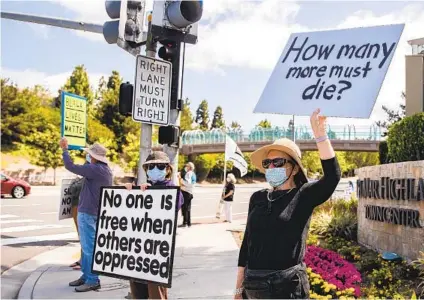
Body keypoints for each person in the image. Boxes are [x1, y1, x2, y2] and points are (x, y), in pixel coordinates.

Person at [234, 109, 341, 299]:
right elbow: (246, 246)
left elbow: (332, 176)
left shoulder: (304, 195)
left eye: (278, 162)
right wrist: (238, 289)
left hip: (287, 289)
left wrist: (320, 135)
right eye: (267, 164)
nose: (271, 167)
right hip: (255, 288)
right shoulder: (257, 198)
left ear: (293, 168)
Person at [124, 151, 183, 300]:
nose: (155, 169)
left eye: (160, 166)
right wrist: (130, 193)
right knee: (137, 289)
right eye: (151, 167)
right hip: (137, 249)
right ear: (146, 170)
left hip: (156, 252)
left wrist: (151, 193)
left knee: (156, 292)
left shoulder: (171, 189)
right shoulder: (144, 188)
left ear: (168, 169)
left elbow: (172, 207)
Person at [59, 138, 113, 293]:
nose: (87, 157)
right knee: (86, 246)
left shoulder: (95, 169)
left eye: (89, 155)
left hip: (88, 213)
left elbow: (70, 166)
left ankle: (92, 280)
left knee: (88, 248)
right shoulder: (104, 169)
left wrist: (65, 150)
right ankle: (86, 275)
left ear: (94, 157)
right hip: (93, 212)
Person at [180, 162, 196, 227]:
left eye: (187, 166)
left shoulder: (188, 174)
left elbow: (188, 184)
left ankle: (185, 223)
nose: (185, 167)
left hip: (186, 192)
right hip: (190, 192)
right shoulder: (193, 174)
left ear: (190, 167)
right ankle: (188, 223)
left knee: (185, 208)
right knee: (188, 209)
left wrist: (181, 180)